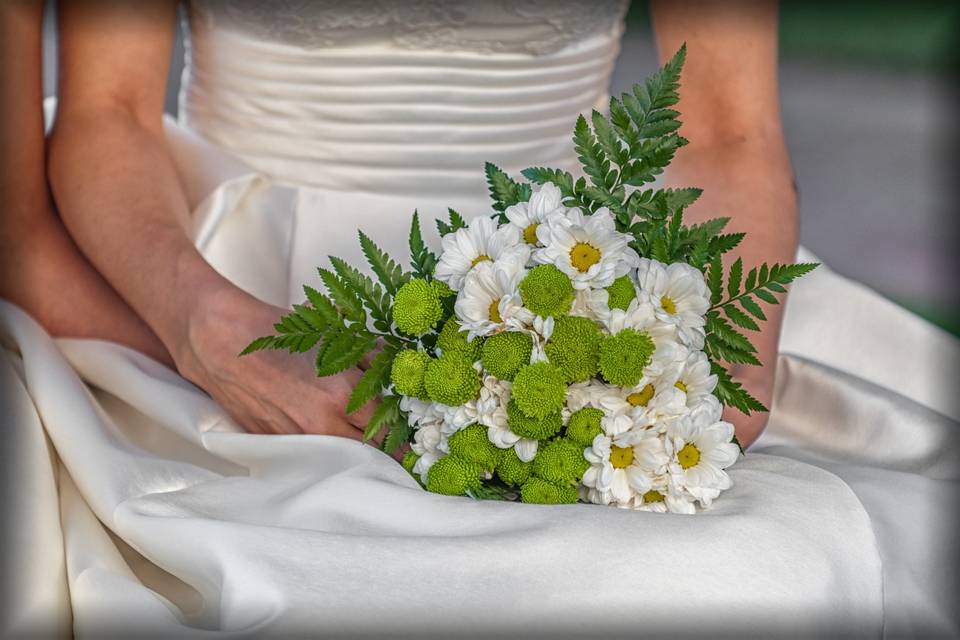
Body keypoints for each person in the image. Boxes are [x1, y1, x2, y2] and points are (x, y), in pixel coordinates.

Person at [2, 1, 956, 637]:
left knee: (764, 567)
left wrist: (711, 385)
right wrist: (211, 333)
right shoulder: (218, 314)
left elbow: (725, 126)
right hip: (244, 277)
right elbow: (107, 113)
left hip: (580, 267)